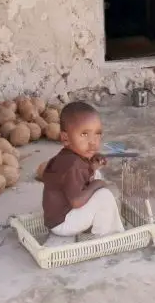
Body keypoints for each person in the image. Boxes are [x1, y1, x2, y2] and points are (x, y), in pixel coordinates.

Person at [41, 101, 125, 237]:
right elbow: (76, 202)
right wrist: (96, 185)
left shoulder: (69, 156)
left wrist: (92, 166)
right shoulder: (71, 164)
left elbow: (78, 178)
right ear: (65, 138)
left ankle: (96, 224)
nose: (93, 142)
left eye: (97, 134)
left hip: (59, 217)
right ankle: (106, 236)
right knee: (104, 195)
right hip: (63, 223)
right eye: (84, 134)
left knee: (97, 174)